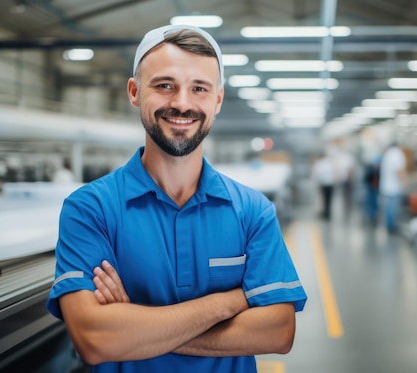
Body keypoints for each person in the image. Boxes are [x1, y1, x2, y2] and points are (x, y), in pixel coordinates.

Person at [46, 24, 307, 373]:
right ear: (135, 92)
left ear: (217, 100)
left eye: (199, 88)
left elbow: (278, 333)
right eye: (165, 85)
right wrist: (231, 301)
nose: (182, 103)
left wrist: (137, 329)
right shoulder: (90, 208)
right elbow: (95, 340)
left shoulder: (252, 210)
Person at [379, 142, 408, 232]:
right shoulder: (397, 154)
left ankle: (389, 224)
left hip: (386, 185)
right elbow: (398, 170)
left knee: (388, 207)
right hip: (393, 186)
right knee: (393, 207)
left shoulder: (388, 153)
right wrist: (405, 181)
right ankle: (391, 226)